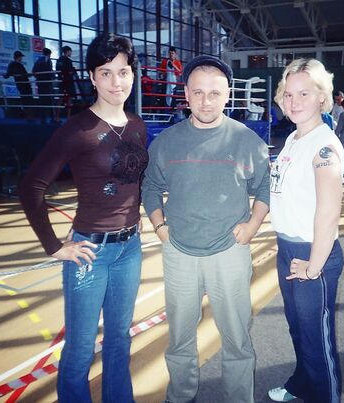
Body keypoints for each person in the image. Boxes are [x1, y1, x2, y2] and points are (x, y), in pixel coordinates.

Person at [18, 33, 148, 403]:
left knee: (120, 339)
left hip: (130, 248)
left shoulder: (137, 125)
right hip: (90, 252)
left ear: (133, 75)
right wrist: (53, 246)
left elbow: (133, 178)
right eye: (105, 73)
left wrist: (137, 212)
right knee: (79, 347)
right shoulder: (78, 129)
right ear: (91, 77)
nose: (116, 82)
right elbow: (30, 187)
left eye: (123, 72)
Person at [142, 55, 270, 403]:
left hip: (229, 253)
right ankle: (180, 396)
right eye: (198, 93)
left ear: (227, 94)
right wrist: (159, 226)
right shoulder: (166, 141)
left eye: (215, 93)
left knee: (237, 339)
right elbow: (150, 185)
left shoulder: (247, 141)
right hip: (179, 253)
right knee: (179, 339)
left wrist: (252, 225)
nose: (206, 101)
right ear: (186, 94)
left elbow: (264, 188)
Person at [268, 58, 344, 403]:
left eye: (304, 93)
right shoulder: (294, 139)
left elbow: (328, 212)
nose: (294, 101)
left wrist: (313, 266)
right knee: (298, 329)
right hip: (288, 249)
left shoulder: (323, 145)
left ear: (321, 97)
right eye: (288, 94)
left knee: (317, 338)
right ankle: (302, 383)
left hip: (314, 253)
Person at [4, 50, 32, 117]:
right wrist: (31, 74)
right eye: (21, 57)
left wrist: (5, 75)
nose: (21, 58)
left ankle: (26, 113)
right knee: (28, 99)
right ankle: (28, 114)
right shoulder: (19, 65)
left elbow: (7, 75)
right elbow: (25, 74)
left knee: (24, 99)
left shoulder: (11, 65)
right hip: (25, 84)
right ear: (18, 57)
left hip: (20, 84)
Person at [32, 48, 55, 123]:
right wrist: (53, 77)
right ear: (49, 54)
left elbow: (33, 72)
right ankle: (52, 118)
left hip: (40, 83)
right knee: (50, 101)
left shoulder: (38, 61)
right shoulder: (48, 61)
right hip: (47, 83)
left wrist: (39, 78)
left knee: (42, 101)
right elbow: (50, 72)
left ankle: (43, 118)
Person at [55, 45, 77, 122]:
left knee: (60, 99)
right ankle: (68, 117)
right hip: (68, 82)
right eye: (70, 51)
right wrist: (73, 71)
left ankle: (57, 117)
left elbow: (58, 70)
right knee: (69, 99)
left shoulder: (59, 60)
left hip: (61, 81)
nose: (71, 53)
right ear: (67, 51)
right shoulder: (68, 61)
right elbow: (70, 72)